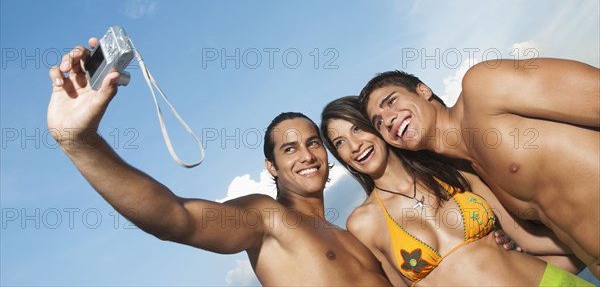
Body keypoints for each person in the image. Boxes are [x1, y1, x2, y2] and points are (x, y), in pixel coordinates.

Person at [46, 40, 391, 286]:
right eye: (289, 149)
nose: (306, 155)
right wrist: (81, 143)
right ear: (271, 167)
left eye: (313, 143)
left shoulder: (353, 236)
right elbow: (174, 218)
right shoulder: (267, 217)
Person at [357, 59, 600, 279]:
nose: (387, 119)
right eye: (378, 122)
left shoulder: (482, 90)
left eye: (391, 102)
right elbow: (566, 238)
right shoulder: (470, 176)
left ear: (423, 90)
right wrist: (509, 256)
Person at [321, 96, 593, 287]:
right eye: (340, 142)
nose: (355, 145)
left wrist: (589, 242)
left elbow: (529, 239)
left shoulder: (450, 172)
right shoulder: (362, 223)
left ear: (378, 128)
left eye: (357, 128)